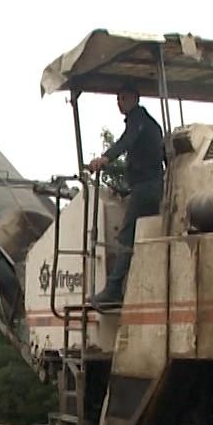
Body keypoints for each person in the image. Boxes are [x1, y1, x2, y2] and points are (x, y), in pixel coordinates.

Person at [83, 90, 165, 309]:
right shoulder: (151, 125)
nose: (120, 103)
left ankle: (113, 289)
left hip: (147, 187)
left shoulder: (139, 121)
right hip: (150, 186)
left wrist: (105, 158)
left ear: (135, 98)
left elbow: (126, 141)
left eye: (123, 98)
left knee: (127, 236)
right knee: (140, 234)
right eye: (118, 99)